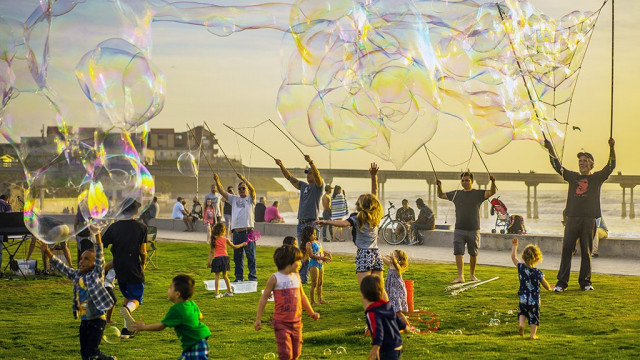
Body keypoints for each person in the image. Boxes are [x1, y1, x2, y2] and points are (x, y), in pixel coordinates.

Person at [544, 138, 615, 291]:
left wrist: (612, 148)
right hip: (572, 218)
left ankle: (585, 282)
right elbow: (557, 165)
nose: (581, 163)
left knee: (586, 251)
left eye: (584, 161)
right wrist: (550, 148)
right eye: (580, 161)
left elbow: (611, 166)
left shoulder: (596, 178)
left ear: (591, 164)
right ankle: (561, 283)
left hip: (589, 219)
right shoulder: (573, 176)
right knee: (567, 250)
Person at [316, 163, 386, 307]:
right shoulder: (375, 215)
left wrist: (326, 222)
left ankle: (370, 322)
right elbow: (375, 195)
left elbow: (343, 224)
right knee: (380, 289)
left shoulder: (357, 218)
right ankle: (389, 315)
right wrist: (374, 176)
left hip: (364, 255)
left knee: (365, 291)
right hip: (376, 254)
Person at [41, 226, 116, 360]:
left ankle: (109, 359)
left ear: (94, 264)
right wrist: (47, 251)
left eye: (87, 259)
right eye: (81, 258)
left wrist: (97, 233)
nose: (82, 261)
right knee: (84, 353)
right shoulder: (76, 275)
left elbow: (99, 253)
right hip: (84, 321)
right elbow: (61, 267)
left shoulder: (97, 274)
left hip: (97, 320)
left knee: (92, 352)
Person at [254, 245, 320, 360]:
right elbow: (264, 298)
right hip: (281, 323)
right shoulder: (275, 278)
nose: (300, 263)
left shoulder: (296, 276)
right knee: (286, 354)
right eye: (298, 261)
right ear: (289, 262)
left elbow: (302, 296)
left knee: (296, 353)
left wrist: (311, 312)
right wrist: (258, 319)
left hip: (297, 322)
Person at [131, 275, 212, 360]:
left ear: (177, 294)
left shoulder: (176, 310)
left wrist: (143, 327)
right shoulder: (191, 304)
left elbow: (160, 326)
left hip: (194, 343)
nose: (168, 290)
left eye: (170, 288)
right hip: (199, 341)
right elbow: (200, 316)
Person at [437, 171, 497, 284]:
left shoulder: (478, 194)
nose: (464, 182)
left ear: (472, 181)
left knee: (473, 253)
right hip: (459, 228)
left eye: (467, 180)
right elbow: (441, 195)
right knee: (458, 252)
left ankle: (472, 275)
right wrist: (439, 186)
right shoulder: (456, 194)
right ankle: (460, 276)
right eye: (463, 180)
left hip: (474, 229)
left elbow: (492, 192)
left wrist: (493, 182)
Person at [101, 200, 147, 339]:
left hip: (118, 268)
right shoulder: (141, 227)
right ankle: (127, 309)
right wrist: (143, 265)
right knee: (136, 298)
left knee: (127, 296)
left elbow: (101, 244)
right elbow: (143, 251)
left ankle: (127, 331)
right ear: (135, 212)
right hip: (133, 266)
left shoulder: (114, 227)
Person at [275, 154, 324, 284]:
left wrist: (311, 162)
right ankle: (303, 278)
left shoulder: (318, 186)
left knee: (313, 251)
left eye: (311, 173)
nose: (308, 175)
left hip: (312, 223)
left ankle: (315, 277)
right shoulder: (303, 186)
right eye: (307, 174)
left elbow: (319, 178)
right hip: (301, 223)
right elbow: (290, 178)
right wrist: (281, 166)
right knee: (302, 252)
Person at [214, 172, 257, 282]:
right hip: (237, 233)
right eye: (240, 189)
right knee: (237, 257)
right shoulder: (234, 199)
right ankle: (239, 278)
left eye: (243, 188)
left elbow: (252, 190)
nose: (242, 190)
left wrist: (244, 179)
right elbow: (222, 191)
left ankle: (252, 277)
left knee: (251, 256)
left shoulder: (251, 199)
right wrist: (217, 180)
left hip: (249, 231)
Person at [510, 238, 552, 339]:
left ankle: (521, 325)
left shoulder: (520, 267)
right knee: (534, 316)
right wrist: (550, 288)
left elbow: (513, 257)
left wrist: (515, 246)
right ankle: (533, 335)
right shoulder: (538, 272)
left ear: (523, 256)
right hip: (534, 299)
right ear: (537, 258)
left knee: (522, 312)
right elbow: (545, 284)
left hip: (523, 298)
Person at [361, 274, 406, 360]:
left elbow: (377, 329)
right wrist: (404, 326)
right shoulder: (387, 305)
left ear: (364, 295)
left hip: (386, 350)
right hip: (397, 346)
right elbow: (396, 318)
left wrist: (375, 347)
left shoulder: (371, 312)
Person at [206, 223, 247, 298]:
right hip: (225, 258)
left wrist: (208, 262)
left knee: (217, 276)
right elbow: (234, 246)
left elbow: (211, 252)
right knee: (225, 276)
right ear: (222, 231)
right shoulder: (225, 239)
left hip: (217, 259)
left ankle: (217, 293)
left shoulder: (213, 240)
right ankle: (229, 291)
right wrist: (242, 244)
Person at [302, 226, 331, 305]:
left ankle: (320, 299)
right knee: (314, 283)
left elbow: (320, 250)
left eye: (315, 234)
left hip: (320, 263)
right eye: (313, 234)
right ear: (308, 235)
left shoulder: (317, 242)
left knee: (320, 282)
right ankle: (312, 301)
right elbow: (311, 255)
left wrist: (326, 254)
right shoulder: (308, 244)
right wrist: (322, 258)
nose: (315, 235)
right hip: (314, 264)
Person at [383, 250, 411, 331]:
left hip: (397, 291)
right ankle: (397, 326)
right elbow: (383, 258)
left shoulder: (397, 267)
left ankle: (408, 327)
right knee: (393, 310)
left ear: (399, 260)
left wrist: (391, 257)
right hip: (391, 290)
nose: (392, 257)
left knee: (397, 312)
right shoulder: (391, 264)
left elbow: (395, 263)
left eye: (395, 256)